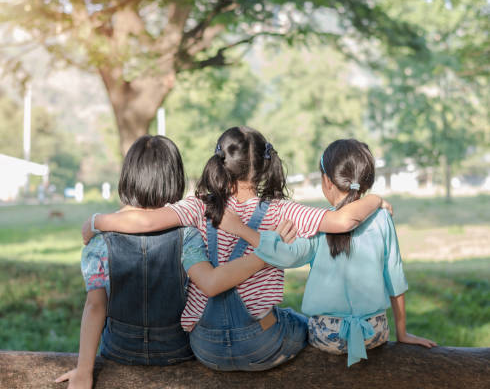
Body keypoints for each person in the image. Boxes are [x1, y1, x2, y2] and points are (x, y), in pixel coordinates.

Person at [82, 127, 391, 374]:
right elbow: (343, 220)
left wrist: (97, 221)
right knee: (302, 324)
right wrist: (375, 199)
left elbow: (145, 221)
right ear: (266, 166)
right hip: (262, 343)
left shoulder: (197, 206)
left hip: (205, 346)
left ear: (221, 163)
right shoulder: (283, 210)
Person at [220, 138, 437, 389]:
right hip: (373, 330)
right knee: (378, 369)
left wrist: (245, 231)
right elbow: (395, 278)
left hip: (327, 331)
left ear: (326, 181)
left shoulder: (322, 222)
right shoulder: (382, 219)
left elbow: (288, 256)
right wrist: (402, 332)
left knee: (304, 341)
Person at [58, 135, 258, 389]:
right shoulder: (188, 236)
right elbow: (206, 287)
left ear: (127, 178)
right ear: (174, 180)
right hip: (177, 349)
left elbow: (95, 307)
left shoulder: (100, 241)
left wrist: (84, 370)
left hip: (121, 351)